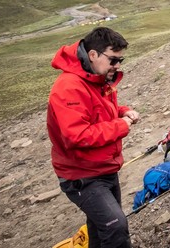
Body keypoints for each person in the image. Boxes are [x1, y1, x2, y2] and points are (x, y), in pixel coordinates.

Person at [47, 27, 139, 248]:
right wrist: (120, 125)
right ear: (93, 55)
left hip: (104, 168)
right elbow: (77, 136)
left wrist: (122, 111)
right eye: (114, 60)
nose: (117, 66)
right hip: (82, 176)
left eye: (120, 60)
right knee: (115, 226)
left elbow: (97, 111)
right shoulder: (68, 88)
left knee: (100, 229)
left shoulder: (95, 77)